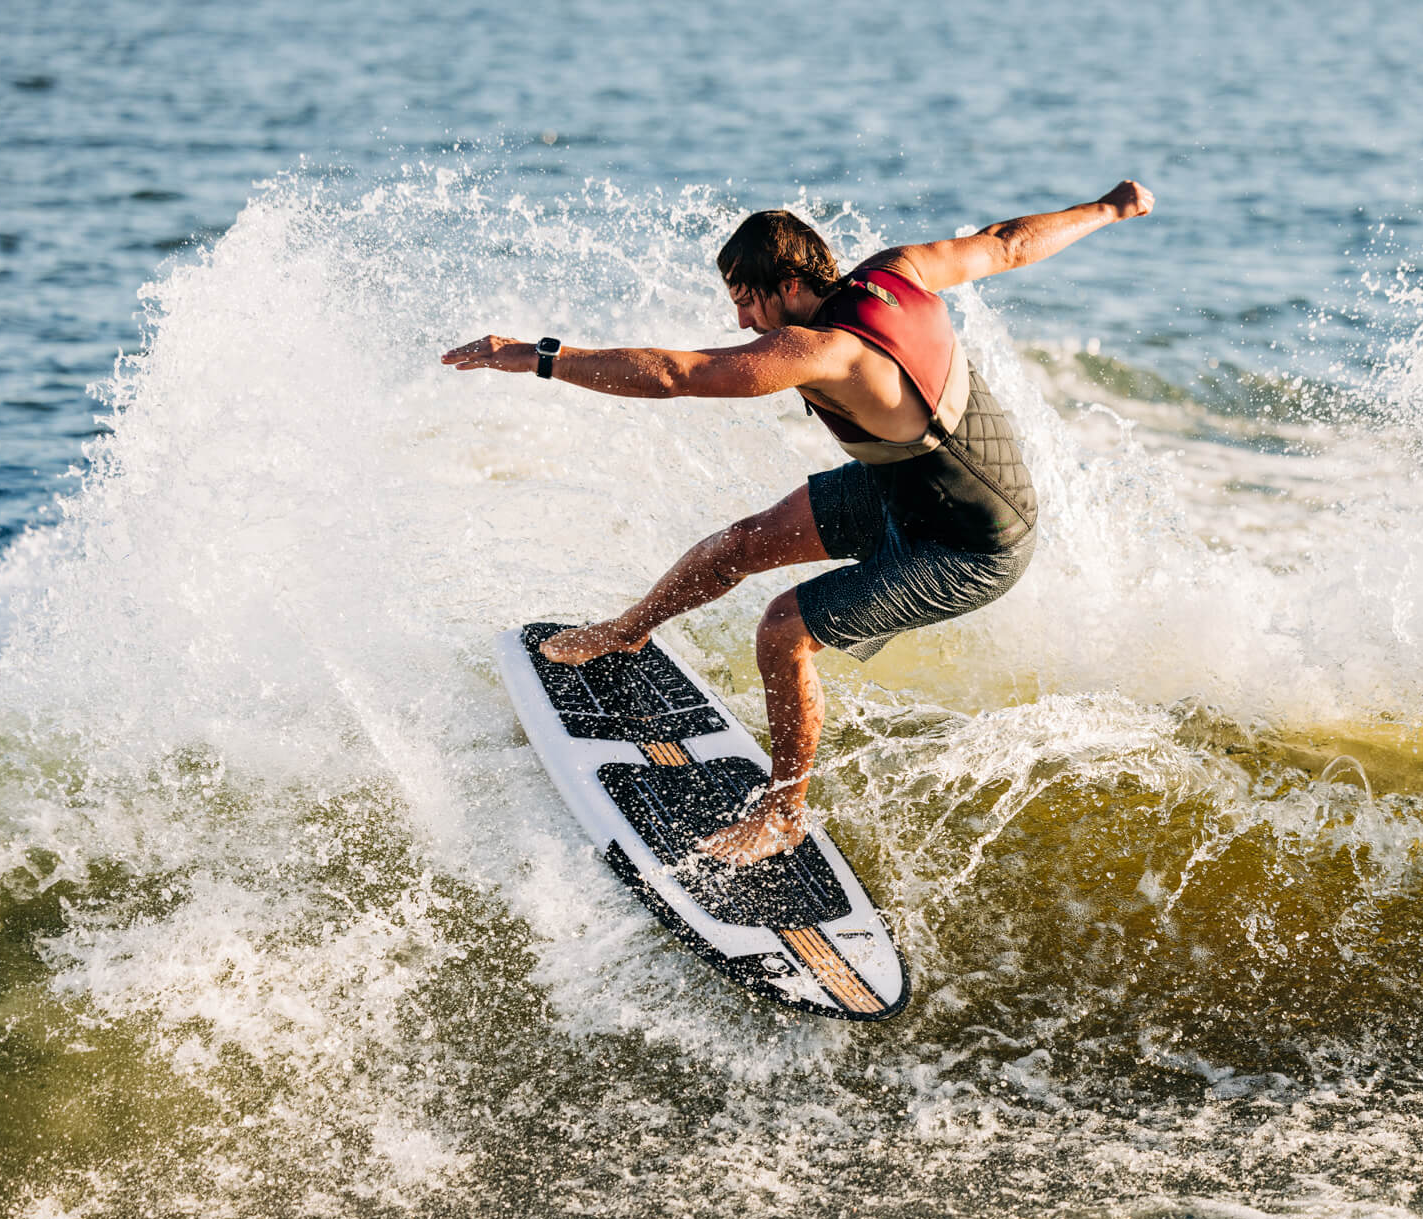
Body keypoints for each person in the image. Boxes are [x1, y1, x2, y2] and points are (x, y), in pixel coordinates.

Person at [444, 180, 1154, 865]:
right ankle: (627, 633)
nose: (744, 323)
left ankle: (783, 814)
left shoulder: (824, 352)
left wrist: (540, 357)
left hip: (972, 545)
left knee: (785, 629)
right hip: (904, 488)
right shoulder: (899, 271)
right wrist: (1109, 208)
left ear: (789, 285)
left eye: (749, 303)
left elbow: (677, 374)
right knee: (743, 544)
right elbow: (1006, 244)